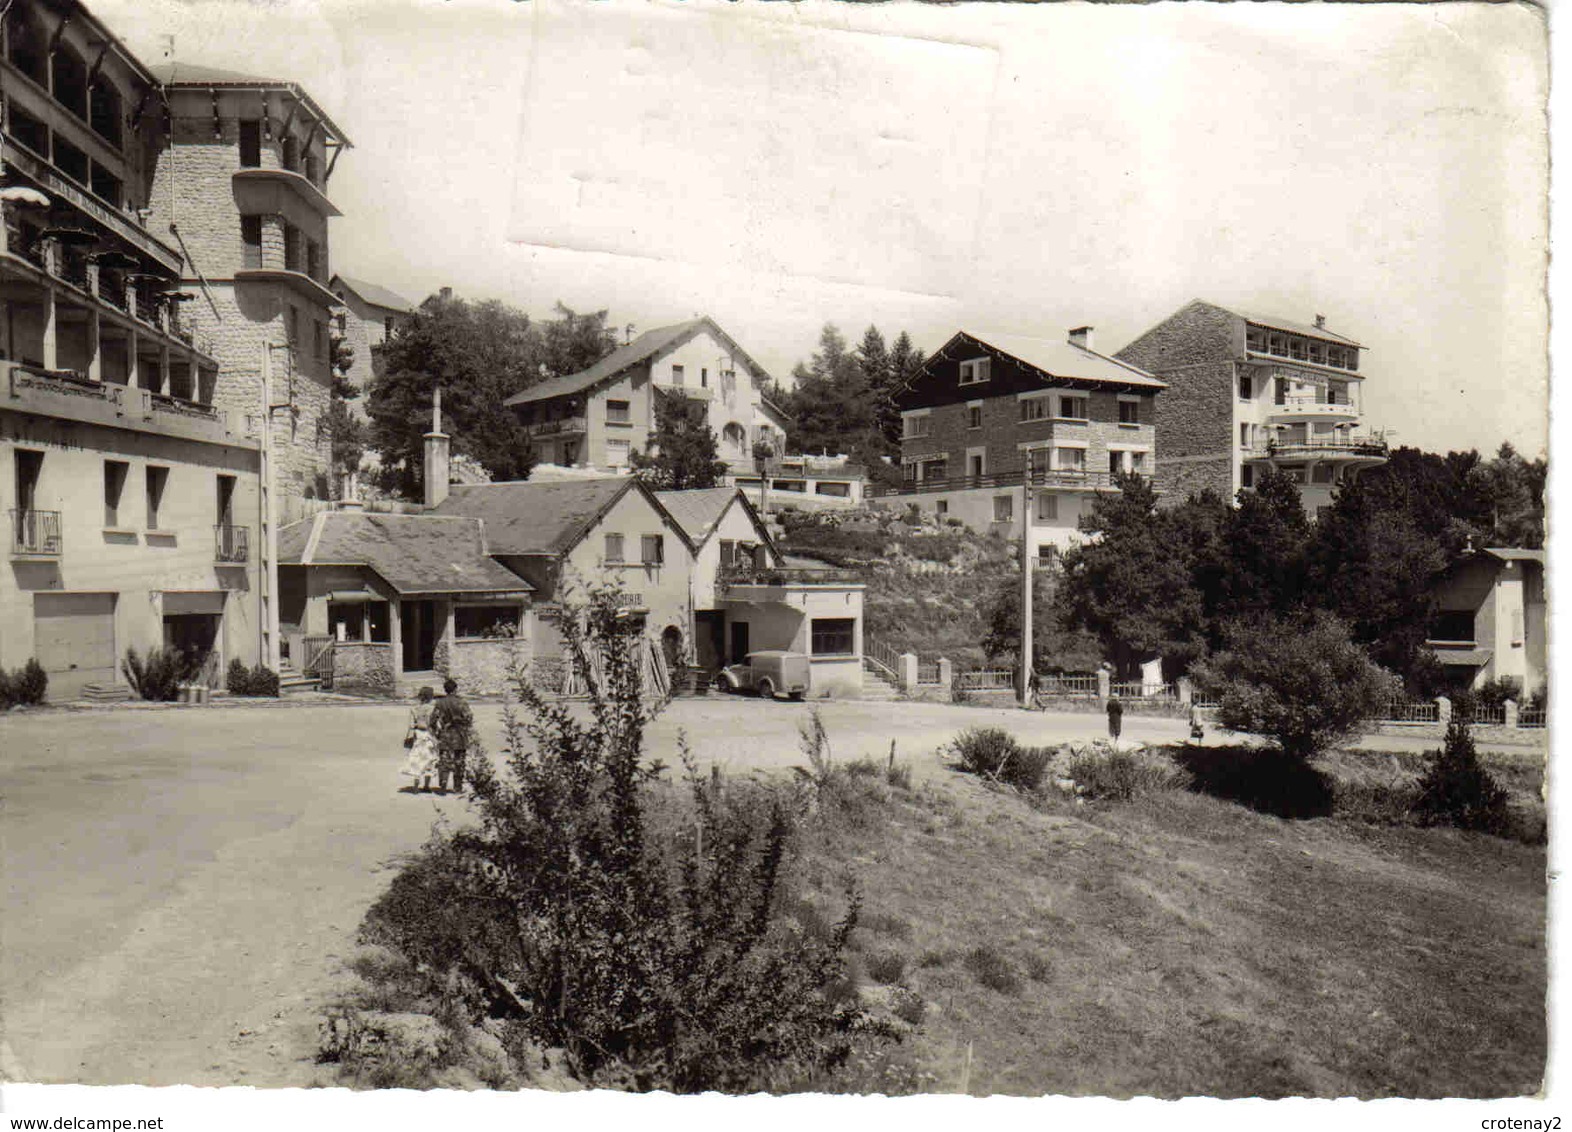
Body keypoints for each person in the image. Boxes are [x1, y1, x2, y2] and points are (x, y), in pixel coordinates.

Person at [431, 677, 474, 795]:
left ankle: (443, 783)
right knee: (459, 761)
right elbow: (469, 718)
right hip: (459, 734)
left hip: (445, 734)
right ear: (455, 689)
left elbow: (433, 720)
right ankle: (457, 787)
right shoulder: (462, 702)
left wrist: (436, 732)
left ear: (445, 690)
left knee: (444, 760)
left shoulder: (440, 703)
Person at [399, 686, 438, 792]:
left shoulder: (414, 709)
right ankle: (426, 786)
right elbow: (432, 725)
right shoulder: (431, 709)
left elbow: (411, 725)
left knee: (417, 760)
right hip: (428, 735)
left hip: (418, 735)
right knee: (429, 760)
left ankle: (416, 786)